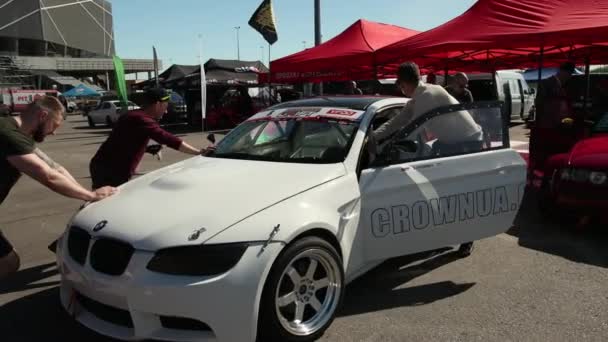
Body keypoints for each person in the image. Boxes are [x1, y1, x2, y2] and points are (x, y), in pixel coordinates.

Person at [0, 96, 117, 278]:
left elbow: (54, 167)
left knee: (8, 262)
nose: (53, 133)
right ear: (43, 115)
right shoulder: (8, 135)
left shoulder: (15, 133)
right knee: (8, 262)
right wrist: (91, 196)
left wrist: (87, 195)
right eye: (54, 126)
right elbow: (48, 176)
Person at [372, 62, 481, 256]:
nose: (400, 88)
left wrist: (383, 147)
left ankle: (467, 238)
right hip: (450, 141)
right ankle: (444, 235)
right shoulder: (420, 95)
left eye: (400, 85)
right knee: (439, 190)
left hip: (467, 142)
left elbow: (412, 130)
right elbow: (397, 120)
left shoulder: (426, 97)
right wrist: (372, 137)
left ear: (404, 84)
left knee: (459, 193)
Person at [89, 88, 204, 189]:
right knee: (106, 203)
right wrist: (198, 152)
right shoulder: (142, 119)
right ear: (158, 104)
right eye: (165, 106)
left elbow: (125, 140)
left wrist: (149, 148)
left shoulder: (133, 115)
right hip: (111, 171)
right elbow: (168, 139)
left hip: (105, 166)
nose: (166, 111)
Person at [529, 62, 576, 175]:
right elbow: (541, 105)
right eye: (568, 75)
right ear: (564, 73)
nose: (569, 78)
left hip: (558, 127)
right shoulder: (546, 84)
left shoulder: (564, 86)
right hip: (548, 127)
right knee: (547, 154)